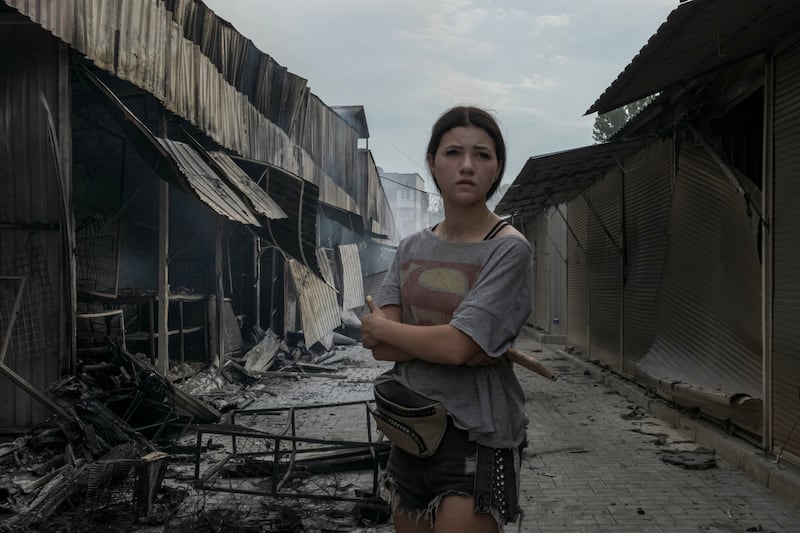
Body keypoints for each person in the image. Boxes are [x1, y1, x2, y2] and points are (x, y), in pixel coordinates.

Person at [360, 105, 533, 533]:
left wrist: (392, 330)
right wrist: (451, 343)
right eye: (453, 152)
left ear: (497, 170)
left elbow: (453, 346)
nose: (468, 166)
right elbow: (383, 350)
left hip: (476, 433)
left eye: (483, 155)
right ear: (433, 164)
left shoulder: (508, 250)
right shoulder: (411, 247)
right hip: (410, 425)